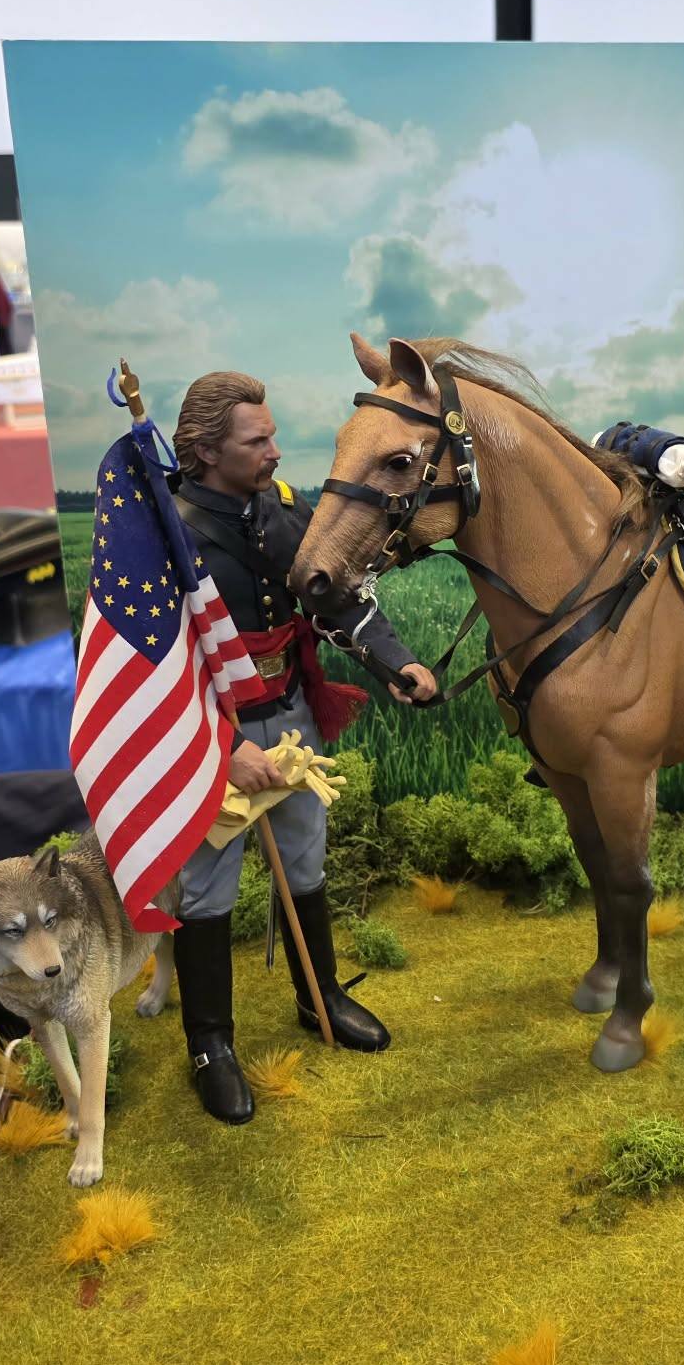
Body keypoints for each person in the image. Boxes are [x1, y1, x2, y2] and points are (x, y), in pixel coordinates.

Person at [168, 371, 437, 1124]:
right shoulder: (166, 533)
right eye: (258, 441)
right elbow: (154, 670)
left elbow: (335, 598)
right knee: (207, 889)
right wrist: (225, 749)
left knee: (305, 860)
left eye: (273, 435)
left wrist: (395, 662)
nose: (276, 451)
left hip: (289, 717)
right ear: (206, 450)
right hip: (208, 736)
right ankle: (210, 1045)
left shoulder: (285, 513)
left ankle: (319, 998)